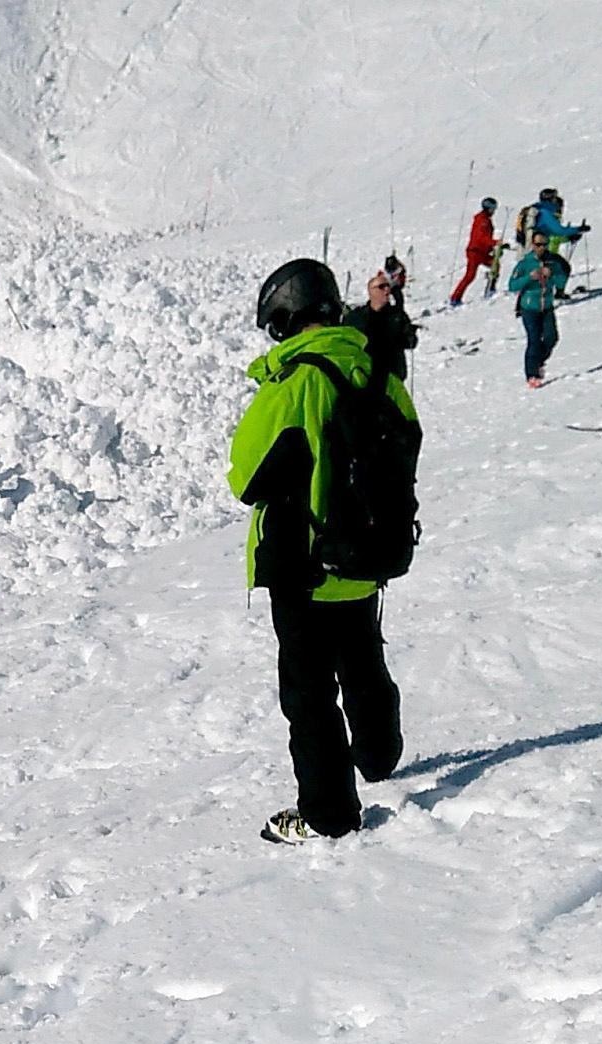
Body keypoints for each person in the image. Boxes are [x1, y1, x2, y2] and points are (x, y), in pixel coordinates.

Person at [226, 258, 417, 846]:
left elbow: (246, 476)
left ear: (284, 318)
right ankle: (379, 756)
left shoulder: (296, 381)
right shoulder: (378, 371)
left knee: (309, 696)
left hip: (304, 566)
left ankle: (328, 814)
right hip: (366, 560)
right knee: (363, 661)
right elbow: (408, 441)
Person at [507, 231, 570, 388]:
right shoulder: (525, 263)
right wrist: (529, 277)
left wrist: (553, 275)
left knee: (552, 337)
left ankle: (538, 361)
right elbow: (512, 285)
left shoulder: (553, 261)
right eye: (538, 244)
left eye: (544, 244)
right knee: (534, 340)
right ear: (533, 245)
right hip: (529, 307)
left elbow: (562, 280)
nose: (541, 248)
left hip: (546, 306)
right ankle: (532, 374)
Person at [345, 262, 419, 382]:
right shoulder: (356, 317)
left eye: (387, 286)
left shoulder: (397, 315)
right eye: (381, 287)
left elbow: (410, 343)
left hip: (393, 377)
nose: (386, 290)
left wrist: (409, 334)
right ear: (371, 291)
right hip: (365, 377)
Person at [450, 197, 501, 306]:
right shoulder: (482, 221)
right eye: (493, 209)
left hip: (483, 252)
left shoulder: (486, 220)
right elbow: (481, 238)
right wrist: (494, 242)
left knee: (495, 265)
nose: (494, 212)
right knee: (470, 276)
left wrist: (492, 247)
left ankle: (491, 288)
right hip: (475, 252)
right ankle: (455, 298)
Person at [528, 188, 590, 259]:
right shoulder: (546, 213)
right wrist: (575, 232)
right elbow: (556, 234)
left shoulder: (536, 211)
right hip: (542, 256)